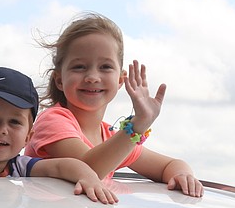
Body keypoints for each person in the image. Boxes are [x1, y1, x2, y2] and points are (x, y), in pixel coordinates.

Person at [25, 12, 204, 197]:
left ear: (120, 80)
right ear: (59, 80)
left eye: (105, 67)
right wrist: (138, 124)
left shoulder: (110, 137)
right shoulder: (52, 120)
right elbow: (88, 169)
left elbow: (169, 165)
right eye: (79, 67)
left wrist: (183, 175)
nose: (92, 77)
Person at [0, 66, 118, 205]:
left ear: (28, 137)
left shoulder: (19, 166)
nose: (1, 129)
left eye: (14, 122)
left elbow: (60, 167)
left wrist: (88, 178)